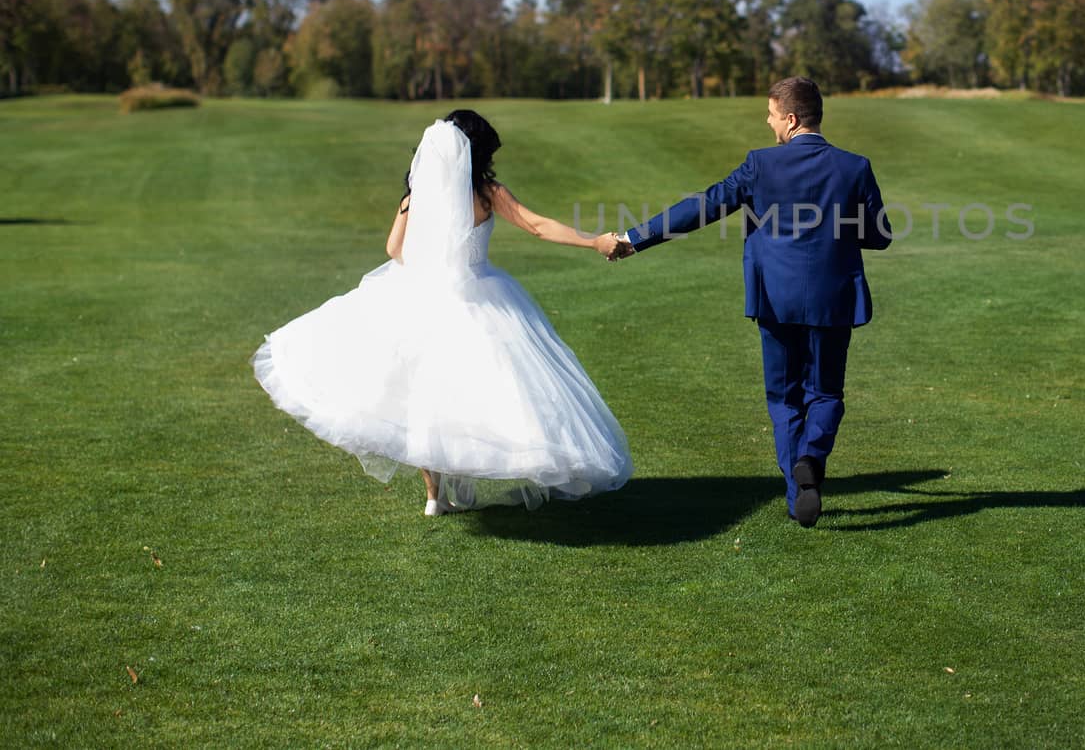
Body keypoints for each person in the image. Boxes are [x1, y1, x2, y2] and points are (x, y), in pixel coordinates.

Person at [252, 110, 634, 516]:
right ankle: (456, 484)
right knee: (475, 389)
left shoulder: (416, 197)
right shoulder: (487, 193)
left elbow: (394, 251)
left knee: (421, 393)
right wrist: (593, 241)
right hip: (480, 296)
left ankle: (434, 497)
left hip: (422, 295)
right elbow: (537, 226)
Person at [618, 77, 891, 527]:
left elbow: (705, 205)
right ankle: (812, 461)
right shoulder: (854, 167)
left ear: (791, 118)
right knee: (824, 393)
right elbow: (880, 235)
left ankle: (796, 490)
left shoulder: (760, 166)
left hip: (775, 299)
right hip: (832, 299)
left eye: (770, 115)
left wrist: (634, 238)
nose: (768, 124)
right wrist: (836, 229)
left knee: (784, 399)